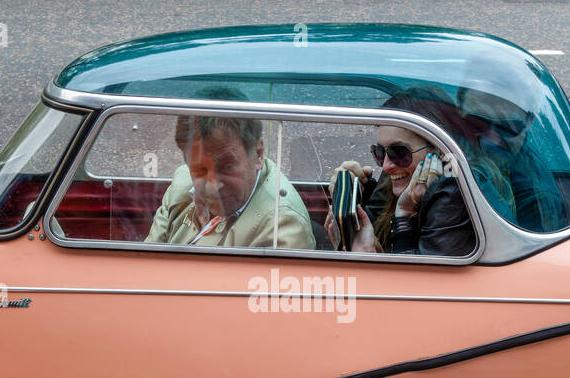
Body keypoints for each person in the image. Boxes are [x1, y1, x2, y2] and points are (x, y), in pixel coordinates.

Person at [146, 88, 315, 250]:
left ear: (257, 154)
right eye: (199, 170)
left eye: (226, 167)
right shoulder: (181, 182)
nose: (212, 186)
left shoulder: (283, 227)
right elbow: (145, 262)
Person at [324, 87, 477, 257]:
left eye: (399, 152)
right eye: (380, 152)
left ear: (440, 150)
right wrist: (356, 194)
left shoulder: (451, 193)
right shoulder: (402, 169)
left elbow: (418, 278)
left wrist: (403, 216)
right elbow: (378, 229)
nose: (386, 166)